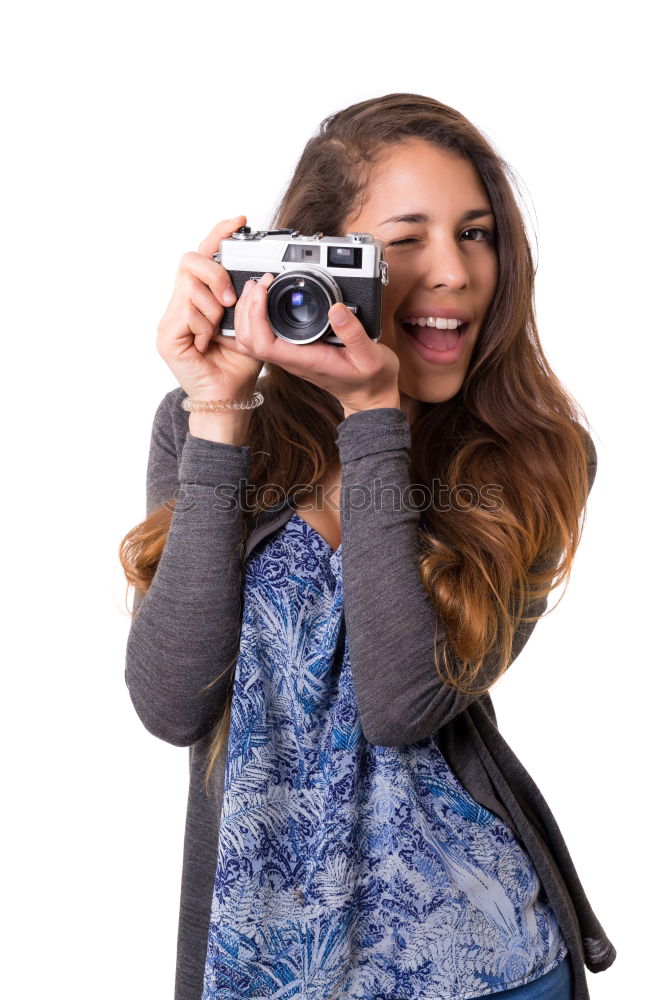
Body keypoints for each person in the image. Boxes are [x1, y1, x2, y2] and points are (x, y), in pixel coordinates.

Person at [120, 93, 616, 1000]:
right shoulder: (211, 427)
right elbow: (170, 702)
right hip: (265, 969)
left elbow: (401, 701)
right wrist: (221, 411)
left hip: (480, 965)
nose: (454, 273)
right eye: (405, 240)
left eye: (476, 234)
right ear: (320, 260)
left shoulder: (536, 459)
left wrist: (375, 419)